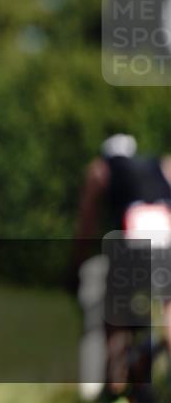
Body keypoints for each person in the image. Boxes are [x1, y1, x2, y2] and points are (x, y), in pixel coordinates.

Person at [74, 134, 171, 402]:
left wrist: (77, 260)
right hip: (166, 229)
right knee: (167, 311)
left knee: (115, 319)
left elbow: (87, 222)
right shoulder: (159, 165)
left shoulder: (101, 170)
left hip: (134, 233)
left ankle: (116, 386)